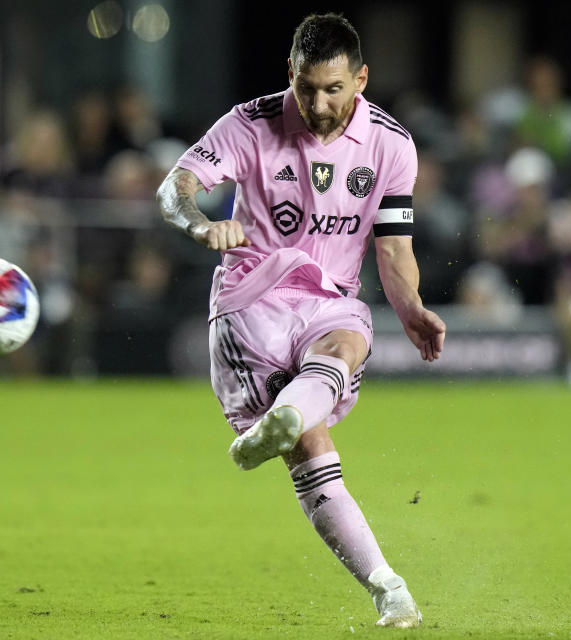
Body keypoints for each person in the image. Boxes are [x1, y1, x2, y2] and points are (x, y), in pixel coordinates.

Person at [155, 13, 445, 628]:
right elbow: (172, 188)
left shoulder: (392, 144)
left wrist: (411, 308)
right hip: (250, 301)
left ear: (361, 79)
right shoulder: (250, 123)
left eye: (334, 90)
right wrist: (201, 223)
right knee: (311, 446)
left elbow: (393, 249)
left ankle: (389, 590)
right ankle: (382, 579)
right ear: (290, 73)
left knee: (346, 343)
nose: (317, 103)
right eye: (306, 88)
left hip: (328, 301)